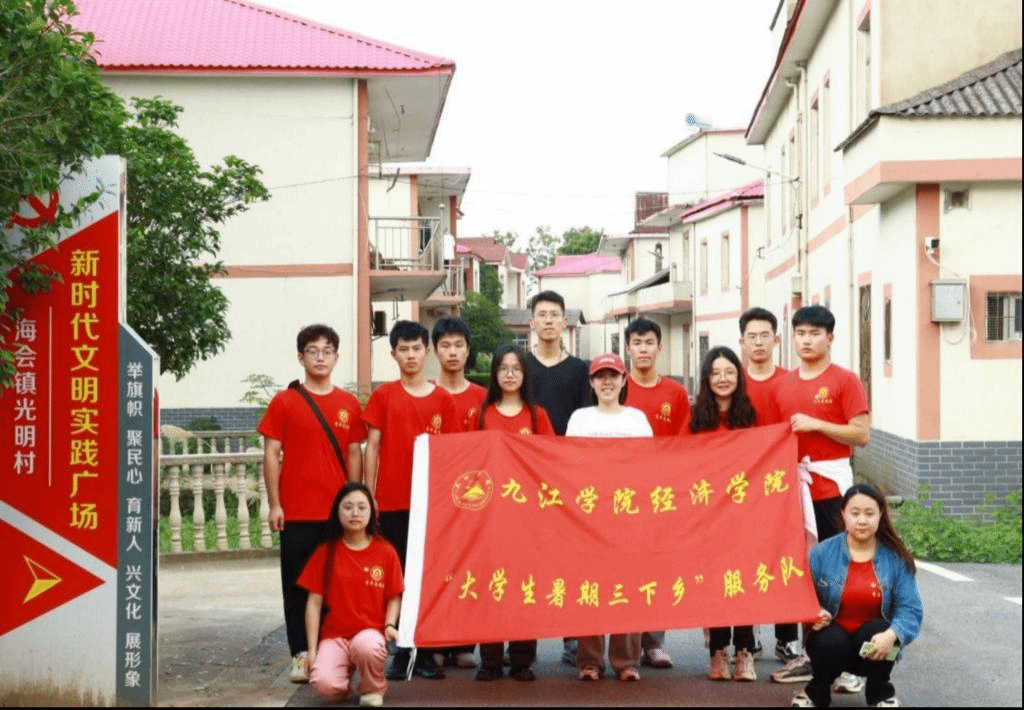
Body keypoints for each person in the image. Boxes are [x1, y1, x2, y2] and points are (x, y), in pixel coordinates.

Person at [770, 305, 871, 693]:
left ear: (830, 338)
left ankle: (852, 663)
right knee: (804, 574)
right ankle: (812, 655)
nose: (807, 340)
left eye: (815, 333)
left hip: (831, 490)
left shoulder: (845, 380)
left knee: (841, 576)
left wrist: (816, 424)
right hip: (792, 492)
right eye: (800, 333)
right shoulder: (783, 385)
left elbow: (861, 434)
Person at [259, 324, 367, 683]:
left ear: (336, 357)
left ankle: (335, 651)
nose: (320, 358)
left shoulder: (348, 403)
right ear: (300, 357)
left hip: (337, 514)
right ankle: (301, 654)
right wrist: (275, 504)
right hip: (296, 511)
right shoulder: (284, 402)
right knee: (297, 584)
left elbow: (355, 453)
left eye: (327, 351)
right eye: (313, 351)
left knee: (340, 584)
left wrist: (356, 503)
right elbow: (271, 455)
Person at [362, 320, 458, 681]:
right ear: (393, 355)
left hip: (431, 504)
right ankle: (401, 650)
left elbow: (451, 454)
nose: (411, 355)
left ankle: (427, 652)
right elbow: (372, 446)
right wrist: (369, 494)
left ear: (427, 352)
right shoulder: (383, 396)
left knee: (429, 576)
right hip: (392, 502)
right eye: (403, 349)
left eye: (417, 348)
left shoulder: (443, 400)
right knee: (398, 577)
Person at [791, 483, 923, 708]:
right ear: (843, 514)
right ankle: (816, 692)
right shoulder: (821, 553)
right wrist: (816, 613)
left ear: (881, 515)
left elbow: (911, 608)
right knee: (827, 638)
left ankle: (881, 693)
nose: (862, 520)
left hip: (874, 647)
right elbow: (802, 597)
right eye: (855, 513)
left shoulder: (896, 557)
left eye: (869, 513)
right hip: (833, 646)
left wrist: (892, 634)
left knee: (883, 630)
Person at [566, 352, 652, 682]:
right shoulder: (580, 419)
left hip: (628, 515)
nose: (606, 382)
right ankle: (589, 660)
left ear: (623, 380)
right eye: (600, 376)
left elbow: (649, 464)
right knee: (589, 585)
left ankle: (626, 660)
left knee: (627, 585)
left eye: (613, 376)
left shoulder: (637, 420)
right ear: (591, 382)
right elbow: (569, 464)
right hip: (589, 515)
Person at [473, 343, 554, 682]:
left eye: (516, 369)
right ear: (494, 374)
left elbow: (549, 461)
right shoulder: (481, 414)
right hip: (489, 517)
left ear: (525, 375)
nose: (509, 375)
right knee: (490, 584)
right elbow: (469, 463)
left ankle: (522, 659)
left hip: (526, 517)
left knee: (524, 585)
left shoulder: (537, 416)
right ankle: (490, 659)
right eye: (503, 368)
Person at [524, 289, 590, 665]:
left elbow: (585, 423)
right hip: (526, 477)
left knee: (572, 560)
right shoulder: (521, 367)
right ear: (531, 322)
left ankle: (573, 638)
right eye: (542, 314)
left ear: (565, 322)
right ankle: (524, 643)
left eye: (554, 315)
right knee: (528, 559)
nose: (548, 320)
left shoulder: (580, 371)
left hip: (569, 477)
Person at [621, 317, 690, 670]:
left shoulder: (675, 394)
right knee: (624, 569)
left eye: (649, 342)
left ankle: (654, 643)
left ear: (659, 348)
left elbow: (684, 445)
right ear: (628, 348)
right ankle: (624, 645)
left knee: (658, 567)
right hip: (622, 496)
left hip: (661, 494)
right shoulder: (617, 387)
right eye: (637, 343)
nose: (643, 349)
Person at [689, 346, 760, 682]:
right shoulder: (694, 417)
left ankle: (745, 651)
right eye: (715, 373)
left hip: (744, 513)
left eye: (729, 372)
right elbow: (679, 460)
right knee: (716, 581)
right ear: (706, 378)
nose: (722, 379)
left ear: (739, 377)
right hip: (707, 514)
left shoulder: (751, 415)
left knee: (742, 580)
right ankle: (718, 651)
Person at [298, 483, 403, 707]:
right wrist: (312, 651)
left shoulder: (386, 552)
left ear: (372, 512)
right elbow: (314, 603)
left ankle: (373, 687)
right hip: (335, 635)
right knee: (324, 685)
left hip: (370, 633)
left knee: (367, 647)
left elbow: (394, 595)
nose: (355, 513)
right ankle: (342, 680)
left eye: (362, 507)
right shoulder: (325, 552)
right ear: (337, 512)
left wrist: (389, 625)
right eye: (348, 507)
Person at [738, 307, 799, 664]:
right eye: (752, 336)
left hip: (781, 486)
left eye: (765, 336)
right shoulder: (732, 382)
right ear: (741, 342)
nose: (758, 342)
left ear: (776, 339)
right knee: (745, 560)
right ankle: (750, 635)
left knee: (784, 558)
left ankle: (787, 637)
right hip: (742, 489)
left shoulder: (791, 381)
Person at [430, 316, 486, 670]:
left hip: (474, 501)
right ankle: (437, 641)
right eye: (445, 345)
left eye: (458, 345)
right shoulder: (426, 393)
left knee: (470, 571)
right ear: (435, 351)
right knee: (437, 571)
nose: (452, 352)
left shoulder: (483, 398)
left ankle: (465, 642)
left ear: (468, 351)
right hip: (435, 500)